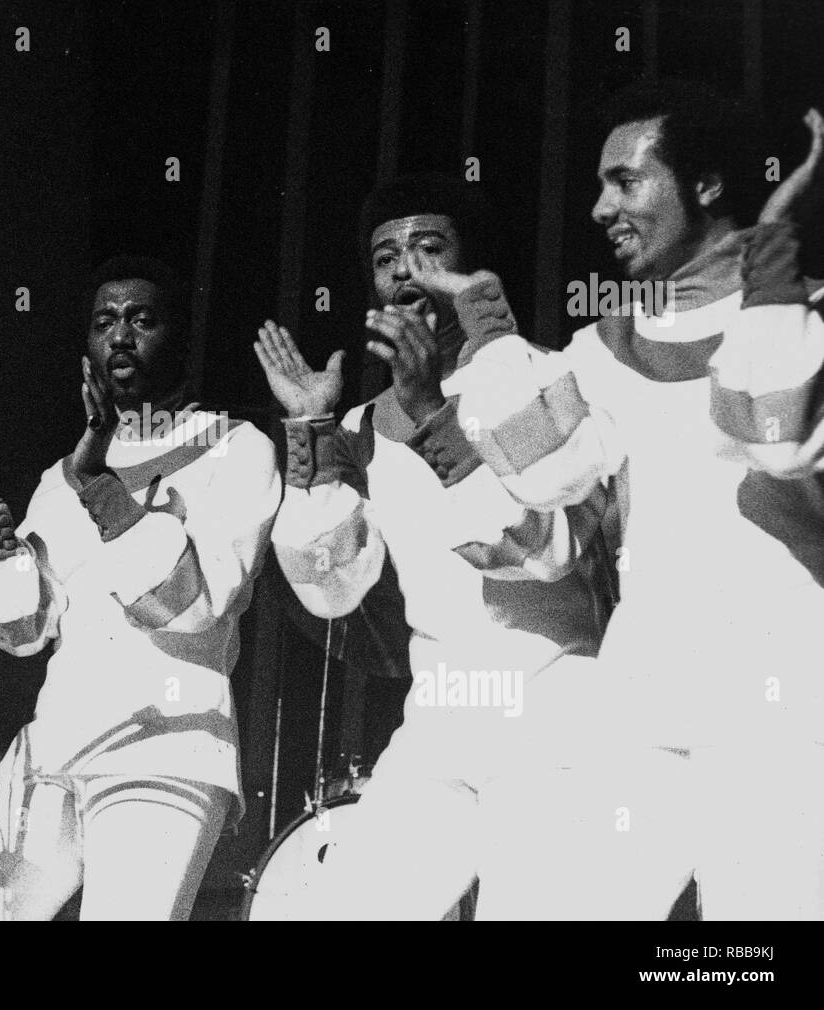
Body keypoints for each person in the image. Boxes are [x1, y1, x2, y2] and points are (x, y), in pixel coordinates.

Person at [430, 82, 824, 919]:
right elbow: (547, 493)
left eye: (626, 181)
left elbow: (777, 430)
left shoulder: (808, 317)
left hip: (782, 699)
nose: (602, 206)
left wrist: (776, 255)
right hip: (643, 695)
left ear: (707, 186)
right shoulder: (601, 348)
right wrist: (491, 330)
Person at [258, 175, 616, 920]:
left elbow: (546, 551)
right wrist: (313, 436)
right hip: (440, 717)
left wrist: (428, 412)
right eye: (387, 255)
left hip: (552, 704)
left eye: (429, 249)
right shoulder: (355, 427)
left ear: (464, 270)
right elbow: (330, 590)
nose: (405, 270)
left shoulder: (541, 372)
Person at [0, 256, 281, 920]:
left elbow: (188, 606)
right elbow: (21, 630)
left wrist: (102, 482)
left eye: (142, 319)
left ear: (177, 339)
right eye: (105, 321)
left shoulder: (237, 448)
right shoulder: (59, 477)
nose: (121, 336)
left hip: (165, 744)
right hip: (52, 747)